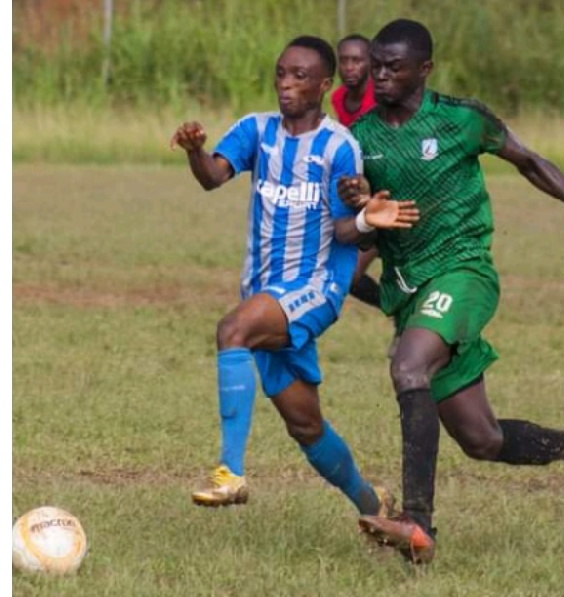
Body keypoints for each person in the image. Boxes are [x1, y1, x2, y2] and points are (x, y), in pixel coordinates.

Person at [337, 18, 564, 565]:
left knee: (407, 367)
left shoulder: (461, 120)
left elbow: (528, 160)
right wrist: (359, 209)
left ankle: (417, 523)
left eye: (393, 67)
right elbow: (356, 226)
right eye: (374, 65)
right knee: (482, 439)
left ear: (424, 68)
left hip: (464, 273)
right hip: (414, 293)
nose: (379, 76)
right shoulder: (360, 138)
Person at [169, 36, 419, 521]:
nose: (286, 83)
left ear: (323, 86)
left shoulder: (339, 147)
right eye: (281, 73)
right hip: (265, 291)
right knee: (305, 427)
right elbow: (212, 176)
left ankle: (230, 474)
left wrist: (368, 218)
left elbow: (346, 230)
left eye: (299, 76)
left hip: (316, 287)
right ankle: (377, 507)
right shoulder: (255, 130)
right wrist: (195, 152)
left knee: (232, 330)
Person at [331, 33, 381, 309]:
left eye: (357, 60)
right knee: (348, 276)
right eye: (344, 61)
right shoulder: (338, 98)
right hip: (358, 197)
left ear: (371, 65)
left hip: (386, 195)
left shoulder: (382, 98)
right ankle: (398, 313)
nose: (349, 67)